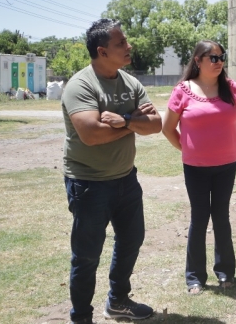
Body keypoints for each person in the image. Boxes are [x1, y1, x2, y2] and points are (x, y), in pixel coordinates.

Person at [61, 19, 162, 324]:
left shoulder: (130, 83)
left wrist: (122, 119)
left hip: (125, 179)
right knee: (87, 255)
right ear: (103, 51)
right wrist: (132, 123)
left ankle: (118, 301)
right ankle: (81, 317)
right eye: (121, 43)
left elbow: (156, 124)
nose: (128, 46)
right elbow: (91, 135)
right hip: (89, 183)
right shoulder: (81, 85)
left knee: (132, 240)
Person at [161, 40, 236, 295]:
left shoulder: (230, 88)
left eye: (222, 57)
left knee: (221, 217)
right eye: (213, 57)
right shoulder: (182, 90)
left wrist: (222, 146)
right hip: (195, 167)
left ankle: (225, 273)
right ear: (198, 61)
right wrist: (189, 150)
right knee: (199, 219)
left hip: (227, 164)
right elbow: (167, 128)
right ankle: (195, 278)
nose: (219, 62)